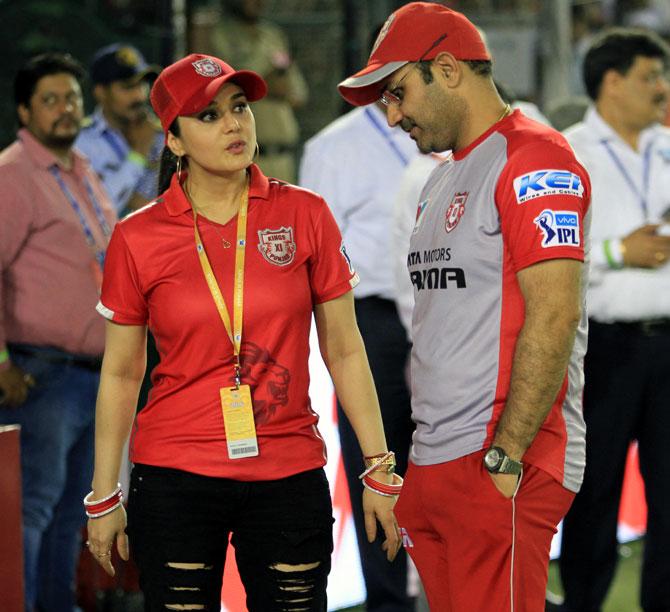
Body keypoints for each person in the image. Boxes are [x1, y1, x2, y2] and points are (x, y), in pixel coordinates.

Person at [84, 53, 401, 612]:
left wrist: (378, 468)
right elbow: (121, 371)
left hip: (287, 470)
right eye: (209, 116)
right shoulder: (138, 238)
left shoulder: (306, 214)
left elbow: (346, 350)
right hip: (174, 476)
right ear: (174, 141)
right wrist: (104, 493)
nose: (235, 124)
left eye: (240, 108)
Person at [338, 3, 591, 610]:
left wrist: (505, 455)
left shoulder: (536, 159)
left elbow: (554, 315)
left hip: (499, 458)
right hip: (437, 458)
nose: (393, 116)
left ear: (447, 69)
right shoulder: (438, 179)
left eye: (398, 94)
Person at [299, 24, 419, 609]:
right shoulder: (333, 147)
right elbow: (315, 262)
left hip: (448, 317)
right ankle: (390, 599)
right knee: (379, 463)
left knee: (454, 460)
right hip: (372, 322)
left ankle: (454, 587)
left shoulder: (448, 138)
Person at [557, 28, 670, 612]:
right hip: (602, 349)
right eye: (651, 76)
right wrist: (616, 252)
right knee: (594, 490)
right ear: (612, 82)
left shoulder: (667, 145)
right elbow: (551, 255)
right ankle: (582, 603)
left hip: (666, 345)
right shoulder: (565, 151)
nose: (662, 89)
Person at [0, 52, 116, 612]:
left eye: (72, 97)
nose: (65, 109)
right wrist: (0, 363)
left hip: (94, 376)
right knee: (33, 511)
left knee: (73, 512)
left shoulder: (82, 169)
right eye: (50, 99)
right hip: (41, 374)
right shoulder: (13, 175)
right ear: (25, 111)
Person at [191, 0, 308, 183]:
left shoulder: (273, 35)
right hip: (244, 158)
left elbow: (298, 94)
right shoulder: (217, 33)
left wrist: (276, 86)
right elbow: (219, 90)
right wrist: (263, 84)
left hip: (283, 157)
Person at [76, 43, 163, 214]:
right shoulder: (81, 142)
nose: (139, 95)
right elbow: (98, 209)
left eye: (142, 85)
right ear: (101, 92)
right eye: (128, 87)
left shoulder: (166, 136)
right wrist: (139, 153)